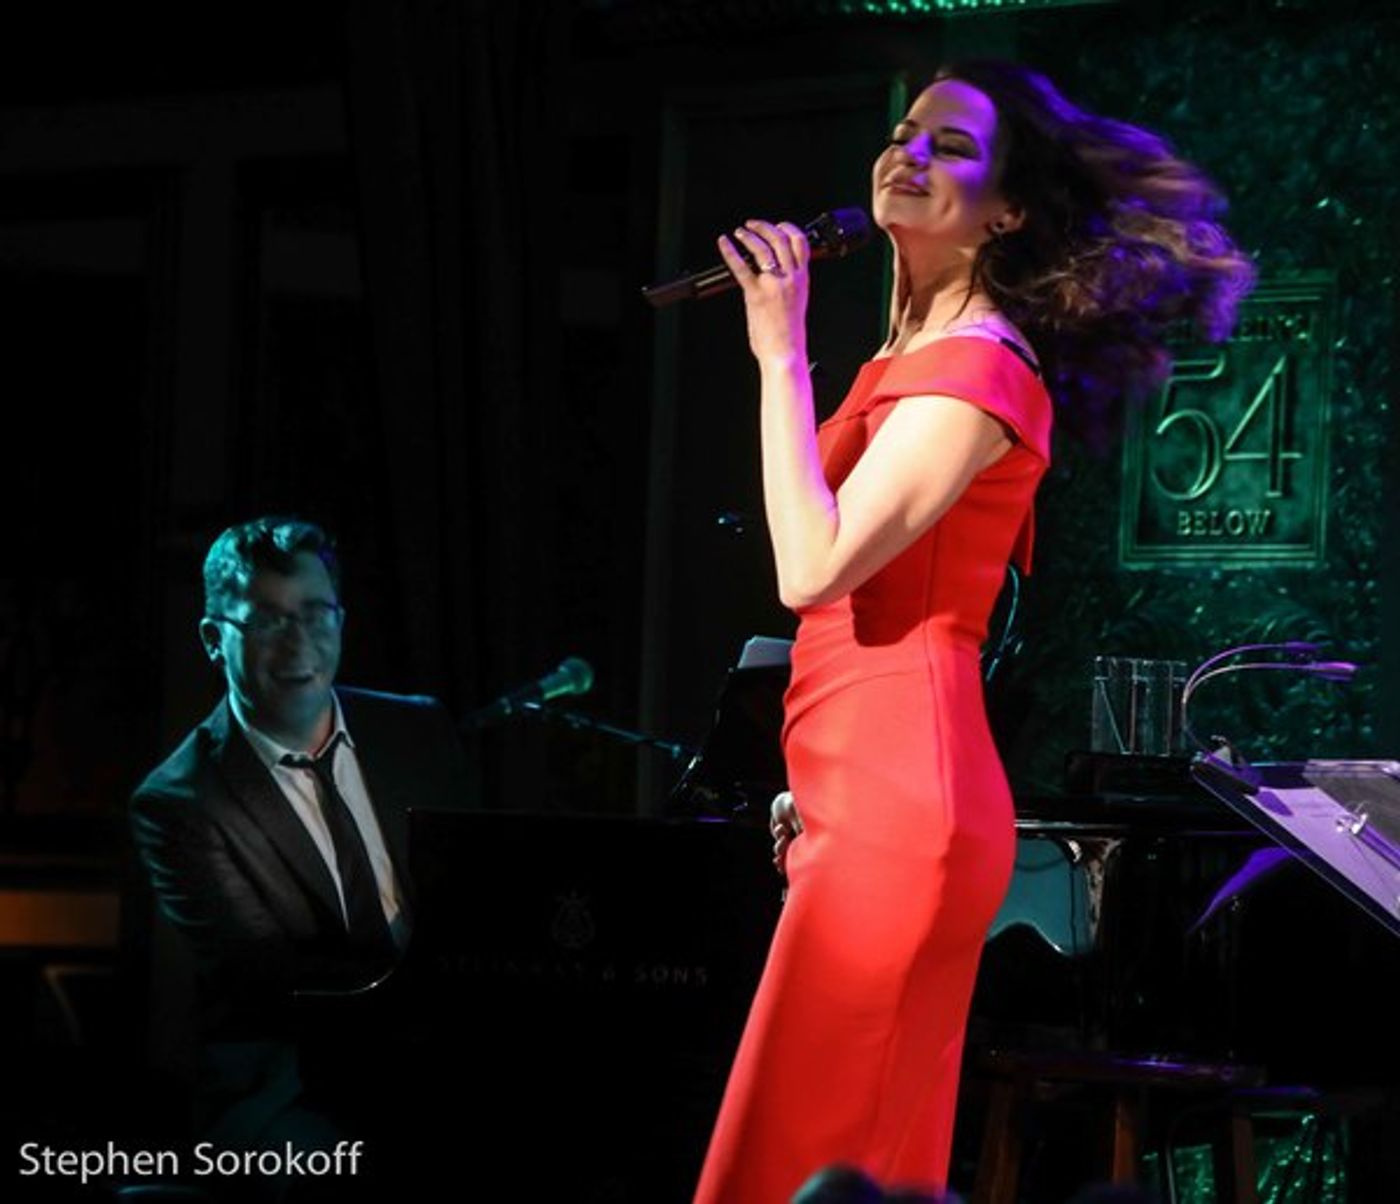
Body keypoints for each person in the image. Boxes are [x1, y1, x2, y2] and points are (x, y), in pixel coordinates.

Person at [693, 60, 1252, 1202]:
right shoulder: (909, 357)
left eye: (949, 146)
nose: (907, 154)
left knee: (795, 1156)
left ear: (1005, 208)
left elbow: (811, 569)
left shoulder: (976, 371)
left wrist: (775, 352)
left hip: (902, 805)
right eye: (902, 131)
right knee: (842, 1154)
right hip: (868, 788)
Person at [130, 516, 472, 1199]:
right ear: (212, 639)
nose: (299, 642)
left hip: (443, 1055)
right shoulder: (178, 801)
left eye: (316, 613)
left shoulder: (418, 730)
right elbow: (275, 982)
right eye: (267, 622)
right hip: (286, 1088)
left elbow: (478, 899)